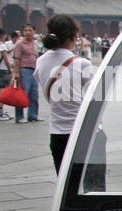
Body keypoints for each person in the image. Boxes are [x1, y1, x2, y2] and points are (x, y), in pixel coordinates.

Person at [35, 15, 95, 173]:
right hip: (83, 131)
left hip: (57, 133)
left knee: (65, 184)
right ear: (74, 36)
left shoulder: (40, 61)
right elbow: (94, 98)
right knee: (92, 185)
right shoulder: (82, 63)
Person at [9, 23, 41, 123]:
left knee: (34, 94)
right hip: (24, 70)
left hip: (34, 70)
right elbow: (17, 59)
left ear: (34, 32)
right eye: (26, 30)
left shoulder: (35, 43)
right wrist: (16, 72)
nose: (27, 32)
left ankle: (33, 115)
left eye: (30, 30)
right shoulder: (20, 44)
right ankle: (19, 116)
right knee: (22, 94)